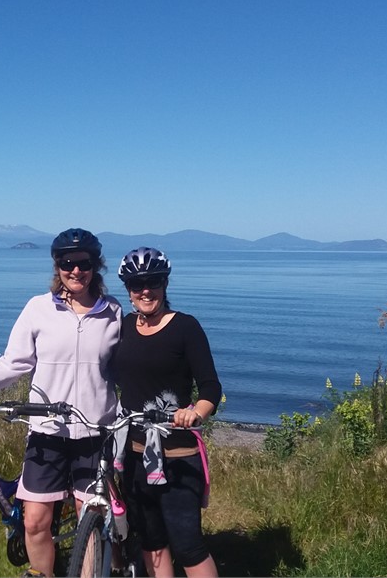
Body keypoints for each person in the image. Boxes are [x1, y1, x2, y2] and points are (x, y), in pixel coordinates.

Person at [0, 228, 122, 577]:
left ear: (96, 266)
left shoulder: (113, 313)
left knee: (89, 519)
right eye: (67, 263)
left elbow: (131, 368)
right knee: (34, 522)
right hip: (46, 432)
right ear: (57, 266)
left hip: (95, 432)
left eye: (84, 263)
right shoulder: (38, 309)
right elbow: (13, 365)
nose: (76, 270)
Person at [112, 247, 222, 578]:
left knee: (188, 545)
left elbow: (210, 387)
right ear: (128, 290)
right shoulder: (123, 327)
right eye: (137, 284)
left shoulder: (185, 328)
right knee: (151, 540)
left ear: (165, 284)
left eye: (154, 282)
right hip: (133, 456)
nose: (146, 290)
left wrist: (196, 414)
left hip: (178, 457)